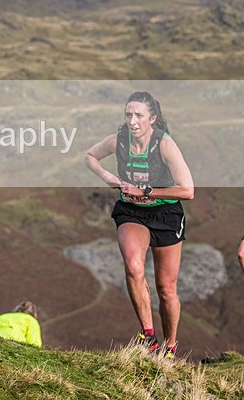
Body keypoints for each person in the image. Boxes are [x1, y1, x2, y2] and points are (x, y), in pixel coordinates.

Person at [85, 91, 193, 359]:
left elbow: (187, 190)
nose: (132, 121)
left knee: (166, 290)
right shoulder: (118, 140)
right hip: (131, 212)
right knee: (133, 267)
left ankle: (170, 346)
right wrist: (108, 176)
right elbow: (89, 156)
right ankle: (149, 337)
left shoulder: (165, 145)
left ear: (152, 119)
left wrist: (147, 192)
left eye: (138, 116)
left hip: (166, 215)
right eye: (128, 115)